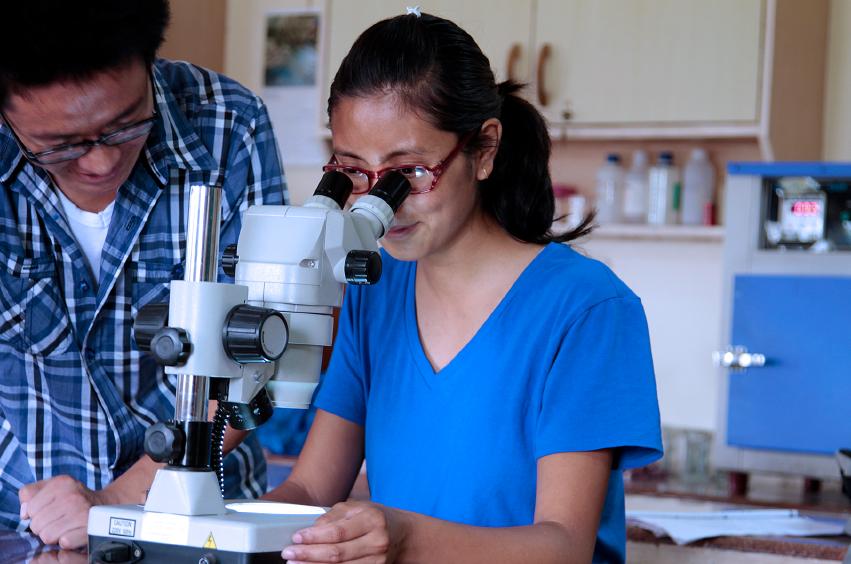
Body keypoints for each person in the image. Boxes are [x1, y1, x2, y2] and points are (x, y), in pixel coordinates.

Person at [264, 11, 662, 564]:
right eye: (354, 172)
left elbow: (563, 545)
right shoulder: (373, 291)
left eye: (409, 173)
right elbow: (309, 491)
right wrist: (224, 531)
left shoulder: (587, 309)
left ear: (486, 149)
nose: (383, 204)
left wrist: (405, 539)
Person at [0, 0, 287, 548]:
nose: (101, 164)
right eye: (62, 147)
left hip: (201, 524)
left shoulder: (228, 127)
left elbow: (261, 358)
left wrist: (115, 501)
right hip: (25, 532)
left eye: (125, 126)